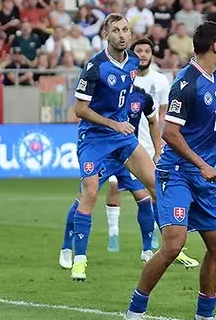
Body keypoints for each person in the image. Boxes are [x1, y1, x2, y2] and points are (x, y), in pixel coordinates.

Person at [125, 21, 216, 319]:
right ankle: (135, 311)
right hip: (178, 173)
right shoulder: (187, 83)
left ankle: (205, 314)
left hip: (204, 177)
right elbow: (170, 133)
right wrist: (202, 164)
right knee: (173, 245)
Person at [70, 14, 158, 281]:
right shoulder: (95, 66)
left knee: (157, 184)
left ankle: (173, 247)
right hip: (95, 137)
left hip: (121, 135)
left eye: (126, 30)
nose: (122, 34)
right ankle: (79, 260)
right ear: (106, 35)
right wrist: (113, 123)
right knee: (91, 192)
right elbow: (79, 109)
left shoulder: (133, 60)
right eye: (116, 30)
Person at [105, 38, 200, 268]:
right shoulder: (123, 76)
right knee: (113, 185)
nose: (144, 54)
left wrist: (160, 147)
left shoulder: (159, 80)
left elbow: (164, 114)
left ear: (152, 54)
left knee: (154, 195)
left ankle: (158, 246)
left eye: (147, 50)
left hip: (146, 146)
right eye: (139, 51)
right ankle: (113, 232)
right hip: (119, 144)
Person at [59, 85, 159, 270]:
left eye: (146, 52)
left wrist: (157, 149)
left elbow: (153, 121)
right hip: (104, 155)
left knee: (144, 197)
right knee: (85, 198)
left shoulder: (141, 97)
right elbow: (83, 110)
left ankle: (147, 251)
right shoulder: (105, 93)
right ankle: (67, 247)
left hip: (127, 153)